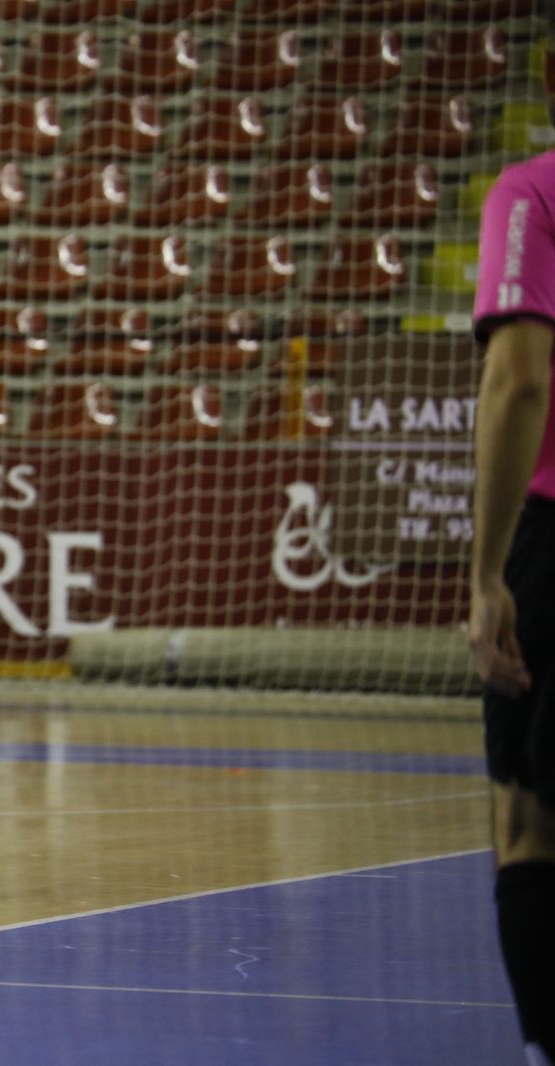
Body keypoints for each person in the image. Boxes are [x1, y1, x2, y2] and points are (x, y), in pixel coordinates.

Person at [468, 32, 555, 1062]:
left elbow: (517, 381)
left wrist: (487, 572)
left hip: (550, 529)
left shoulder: (531, 193)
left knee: (530, 824)